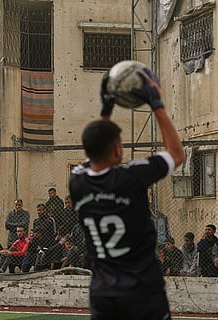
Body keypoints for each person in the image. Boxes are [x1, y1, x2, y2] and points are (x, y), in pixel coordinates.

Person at [69, 64, 184, 320]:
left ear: (86, 152)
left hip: (103, 292)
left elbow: (97, 147)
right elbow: (176, 154)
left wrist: (105, 110)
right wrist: (157, 105)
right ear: (118, 150)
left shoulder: (76, 181)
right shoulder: (132, 177)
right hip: (142, 290)